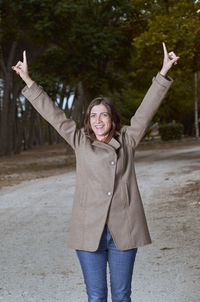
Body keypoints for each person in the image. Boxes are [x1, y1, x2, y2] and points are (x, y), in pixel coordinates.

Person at [12, 42, 179, 302]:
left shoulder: (128, 140)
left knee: (122, 296)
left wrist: (163, 72)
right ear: (88, 121)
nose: (98, 120)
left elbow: (147, 111)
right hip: (89, 231)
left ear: (113, 119)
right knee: (96, 296)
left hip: (124, 229)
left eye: (104, 115)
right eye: (93, 116)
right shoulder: (80, 141)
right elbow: (54, 115)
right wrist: (28, 80)